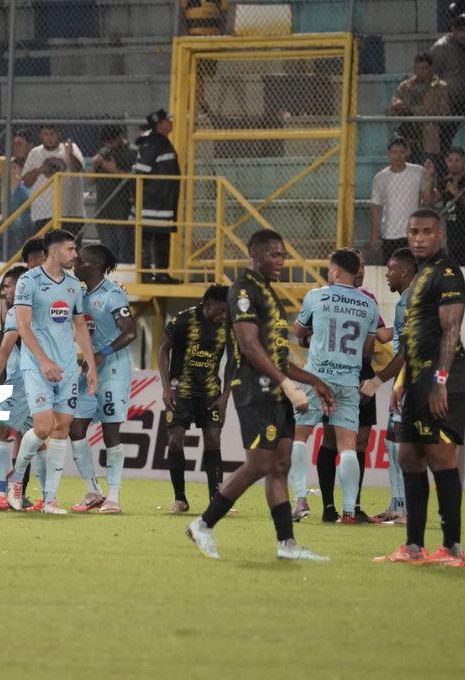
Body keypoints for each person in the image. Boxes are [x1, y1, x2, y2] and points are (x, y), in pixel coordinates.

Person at [186, 229, 336, 561]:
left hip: (275, 389)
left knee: (280, 465)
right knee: (259, 464)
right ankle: (202, 524)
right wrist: (286, 384)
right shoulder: (243, 289)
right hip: (255, 390)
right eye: (274, 254)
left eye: (283, 255)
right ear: (255, 255)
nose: (281, 261)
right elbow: (250, 346)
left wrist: (312, 380)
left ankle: (287, 544)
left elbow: (276, 356)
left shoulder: (269, 293)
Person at [375, 208, 465, 567]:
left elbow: (451, 330)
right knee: (408, 457)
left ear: (439, 235)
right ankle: (414, 546)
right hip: (417, 378)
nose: (419, 238)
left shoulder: (447, 273)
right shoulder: (420, 277)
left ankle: (452, 548)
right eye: (414, 231)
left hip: (444, 377)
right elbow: (413, 338)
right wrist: (402, 381)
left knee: (440, 457)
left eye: (427, 232)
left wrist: (440, 381)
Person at [5, 229, 98, 514]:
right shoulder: (29, 281)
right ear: (54, 252)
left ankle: (50, 499)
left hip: (67, 366)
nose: (75, 254)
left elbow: (79, 325)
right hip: (37, 365)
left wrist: (91, 365)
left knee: (61, 428)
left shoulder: (73, 285)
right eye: (70, 249)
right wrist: (44, 361)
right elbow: (23, 326)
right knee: (43, 427)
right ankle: (16, 480)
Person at [288, 249, 379, 525]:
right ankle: (349, 511)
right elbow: (367, 349)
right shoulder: (369, 304)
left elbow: (298, 331)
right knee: (348, 446)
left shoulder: (316, 296)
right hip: (349, 382)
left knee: (299, 436)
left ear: (336, 271)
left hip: (316, 379)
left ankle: (301, 499)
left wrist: (317, 332)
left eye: (330, 269)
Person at [0, 237, 46, 503]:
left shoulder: (36, 297)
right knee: (0, 432)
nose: (4, 290)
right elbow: (6, 335)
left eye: (8, 286)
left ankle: (14, 492)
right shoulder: (15, 300)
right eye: (2, 287)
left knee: (24, 434)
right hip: (8, 373)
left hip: (25, 375)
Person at [68, 244, 138, 514]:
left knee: (110, 432)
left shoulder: (113, 294)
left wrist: (101, 354)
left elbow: (130, 333)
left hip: (114, 371)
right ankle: (93, 491)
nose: (75, 263)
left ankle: (114, 498)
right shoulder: (81, 294)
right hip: (90, 371)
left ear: (95, 266)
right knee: (76, 428)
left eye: (81, 261)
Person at [158, 285, 230, 513]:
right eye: (221, 310)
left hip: (210, 393)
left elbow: (233, 363)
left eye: (227, 311)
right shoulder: (183, 320)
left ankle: (216, 500)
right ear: (207, 305)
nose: (224, 315)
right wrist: (166, 388)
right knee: (175, 440)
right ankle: (180, 499)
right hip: (181, 391)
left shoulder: (230, 325)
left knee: (213, 440)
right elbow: (163, 349)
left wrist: (225, 397)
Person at [362, 247, 418, 524]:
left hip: (411, 379)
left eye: (391, 270)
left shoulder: (410, 301)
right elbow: (393, 338)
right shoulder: (408, 300)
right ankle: (397, 505)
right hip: (404, 378)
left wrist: (377, 381)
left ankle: (406, 509)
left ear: (404, 272)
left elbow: (406, 352)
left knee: (401, 444)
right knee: (392, 441)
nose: (387, 275)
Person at [369, 138, 436, 264]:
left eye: (401, 152)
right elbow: (376, 207)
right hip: (389, 232)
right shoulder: (381, 177)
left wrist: (429, 176)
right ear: (389, 153)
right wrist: (374, 236)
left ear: (407, 153)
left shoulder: (418, 172)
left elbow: (428, 199)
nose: (398, 156)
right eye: (394, 152)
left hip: (413, 231)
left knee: (413, 267)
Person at [133, 109, 180, 283]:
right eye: (167, 120)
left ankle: (161, 274)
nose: (171, 123)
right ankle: (146, 274)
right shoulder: (152, 143)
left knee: (162, 238)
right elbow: (140, 173)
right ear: (159, 125)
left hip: (163, 202)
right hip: (152, 202)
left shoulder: (161, 142)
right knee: (147, 237)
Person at [429, 14, 465, 152]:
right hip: (446, 101)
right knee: (443, 138)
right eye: (461, 30)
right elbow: (431, 76)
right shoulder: (441, 47)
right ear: (453, 30)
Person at [388, 52, 450, 166]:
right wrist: (398, 106)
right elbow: (393, 105)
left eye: (424, 68)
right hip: (408, 130)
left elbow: (445, 110)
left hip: (428, 131)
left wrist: (432, 112)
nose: (421, 72)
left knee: (427, 165)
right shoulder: (405, 86)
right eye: (418, 68)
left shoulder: (440, 86)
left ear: (431, 68)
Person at [22, 124, 86, 233]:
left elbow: (78, 170)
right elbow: (26, 182)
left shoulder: (70, 148)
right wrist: (40, 170)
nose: (49, 138)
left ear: (58, 135)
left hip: (70, 212)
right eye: (45, 134)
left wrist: (70, 155)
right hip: (44, 213)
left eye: (52, 134)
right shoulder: (35, 153)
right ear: (40, 136)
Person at [91, 126, 138, 263]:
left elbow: (135, 179)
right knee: (108, 247)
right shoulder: (103, 152)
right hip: (103, 206)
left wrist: (114, 170)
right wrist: (94, 166)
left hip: (123, 207)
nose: (109, 145)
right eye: (106, 142)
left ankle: (127, 270)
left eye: (112, 141)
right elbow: (90, 181)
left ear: (120, 137)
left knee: (125, 245)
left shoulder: (132, 152)